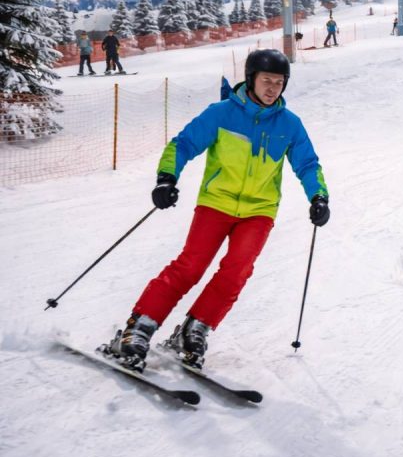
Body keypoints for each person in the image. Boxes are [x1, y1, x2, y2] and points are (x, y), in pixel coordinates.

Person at [105, 49, 330, 371]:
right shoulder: (221, 113)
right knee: (190, 266)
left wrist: (319, 196)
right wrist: (166, 178)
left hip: (259, 210)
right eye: (267, 81)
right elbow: (182, 144)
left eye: (279, 83)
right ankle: (138, 329)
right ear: (251, 79)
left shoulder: (289, 125)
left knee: (236, 272)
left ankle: (195, 329)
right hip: (216, 203)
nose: (272, 89)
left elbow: (308, 164)